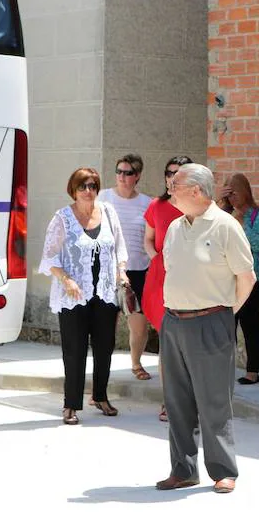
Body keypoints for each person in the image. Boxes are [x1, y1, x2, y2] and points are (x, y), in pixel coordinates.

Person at [154, 163, 256, 494]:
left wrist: (224, 313)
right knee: (176, 401)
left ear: (196, 191)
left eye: (175, 186)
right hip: (174, 321)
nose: (170, 190)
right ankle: (182, 470)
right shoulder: (174, 227)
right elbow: (172, 267)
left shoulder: (226, 226)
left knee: (214, 402)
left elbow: (246, 278)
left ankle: (223, 470)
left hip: (211, 321)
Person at [39, 168, 128, 425]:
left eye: (92, 186)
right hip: (74, 295)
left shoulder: (109, 212)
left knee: (104, 348)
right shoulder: (62, 218)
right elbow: (49, 256)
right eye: (83, 187)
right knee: (74, 350)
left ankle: (100, 396)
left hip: (105, 291)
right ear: (73, 190)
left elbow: (119, 247)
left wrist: (122, 272)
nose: (88, 191)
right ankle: (71, 404)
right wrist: (66, 279)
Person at [143, 155, 193, 421]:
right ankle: (169, 401)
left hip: (191, 282)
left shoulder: (197, 208)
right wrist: (156, 258)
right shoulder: (156, 206)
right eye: (169, 172)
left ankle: (189, 400)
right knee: (168, 345)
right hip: (161, 280)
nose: (173, 177)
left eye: (179, 173)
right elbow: (148, 240)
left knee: (188, 345)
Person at [98, 154, 152, 381]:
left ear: (137, 176)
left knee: (139, 327)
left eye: (127, 172)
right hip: (108, 272)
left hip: (138, 271)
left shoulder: (147, 203)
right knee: (105, 327)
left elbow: (151, 237)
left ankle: (136, 363)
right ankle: (102, 374)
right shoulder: (103, 197)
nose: (122, 176)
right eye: (119, 171)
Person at [218, 173, 259, 385]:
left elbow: (257, 243)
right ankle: (223, 368)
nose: (232, 199)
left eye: (234, 193)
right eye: (228, 194)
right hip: (227, 278)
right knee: (226, 325)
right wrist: (219, 205)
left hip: (253, 278)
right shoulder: (223, 214)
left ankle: (252, 370)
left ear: (245, 191)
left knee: (250, 324)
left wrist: (240, 221)